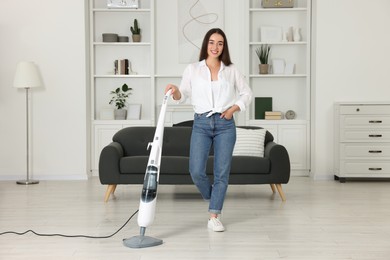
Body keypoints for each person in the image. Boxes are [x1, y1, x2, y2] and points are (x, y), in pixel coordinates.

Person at [165, 28, 252, 232]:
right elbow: (183, 95)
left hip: (225, 124)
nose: (215, 47)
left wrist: (233, 109)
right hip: (201, 124)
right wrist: (176, 92)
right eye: (212, 42)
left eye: (220, 43)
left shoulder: (231, 70)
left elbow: (247, 93)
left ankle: (214, 215)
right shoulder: (193, 69)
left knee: (222, 173)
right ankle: (214, 197)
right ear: (205, 44)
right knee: (196, 170)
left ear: (224, 47)